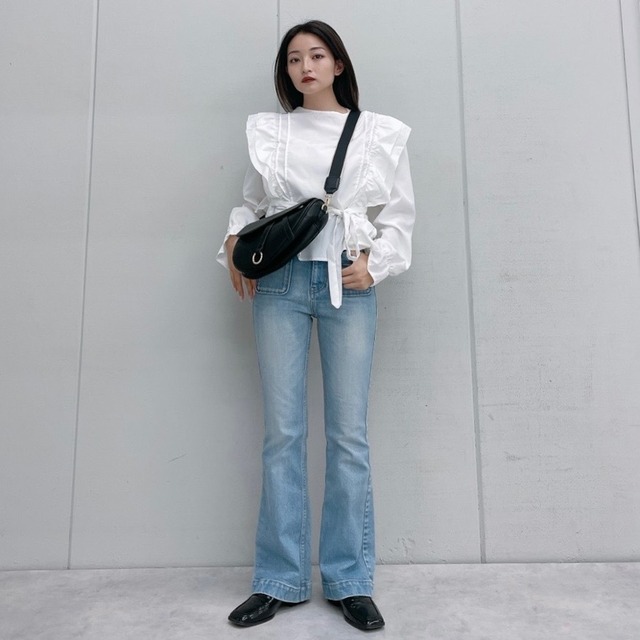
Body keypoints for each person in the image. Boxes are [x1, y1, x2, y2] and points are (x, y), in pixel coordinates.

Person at [217, 20, 415, 632]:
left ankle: (349, 580)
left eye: (317, 55)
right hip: (278, 284)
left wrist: (376, 265)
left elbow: (401, 215)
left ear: (338, 64)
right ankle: (278, 579)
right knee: (283, 434)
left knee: (348, 436)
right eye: (294, 58)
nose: (305, 66)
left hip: (346, 283)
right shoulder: (270, 131)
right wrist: (233, 239)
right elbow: (255, 203)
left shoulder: (379, 132)